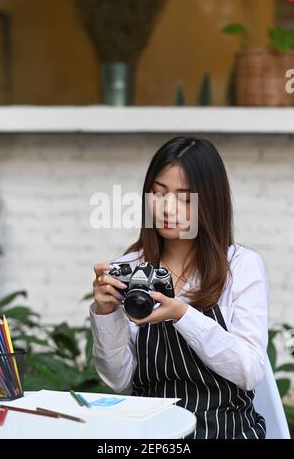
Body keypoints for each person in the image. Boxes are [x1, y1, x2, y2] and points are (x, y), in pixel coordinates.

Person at [90, 136, 269, 439]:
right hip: (153, 433)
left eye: (185, 199)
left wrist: (183, 315)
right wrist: (106, 314)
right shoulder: (130, 266)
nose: (167, 209)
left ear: (210, 202)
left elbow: (249, 371)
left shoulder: (241, 265)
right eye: (158, 195)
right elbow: (118, 381)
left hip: (227, 430)